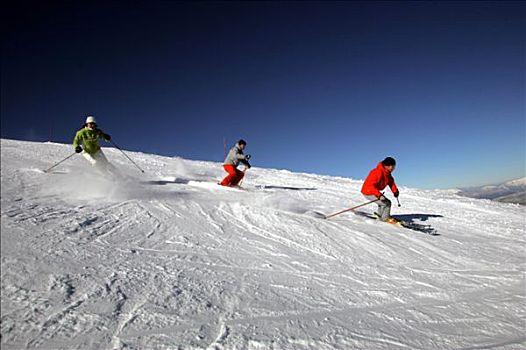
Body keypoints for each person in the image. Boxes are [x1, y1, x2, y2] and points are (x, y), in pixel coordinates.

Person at [361, 157, 400, 224]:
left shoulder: (387, 173)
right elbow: (370, 186)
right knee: (387, 203)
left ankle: (380, 215)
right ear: (388, 166)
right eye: (393, 166)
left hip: (374, 191)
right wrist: (379, 195)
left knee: (383, 202)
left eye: (394, 166)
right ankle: (385, 218)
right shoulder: (376, 172)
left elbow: (391, 183)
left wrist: (395, 191)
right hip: (368, 191)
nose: (393, 168)